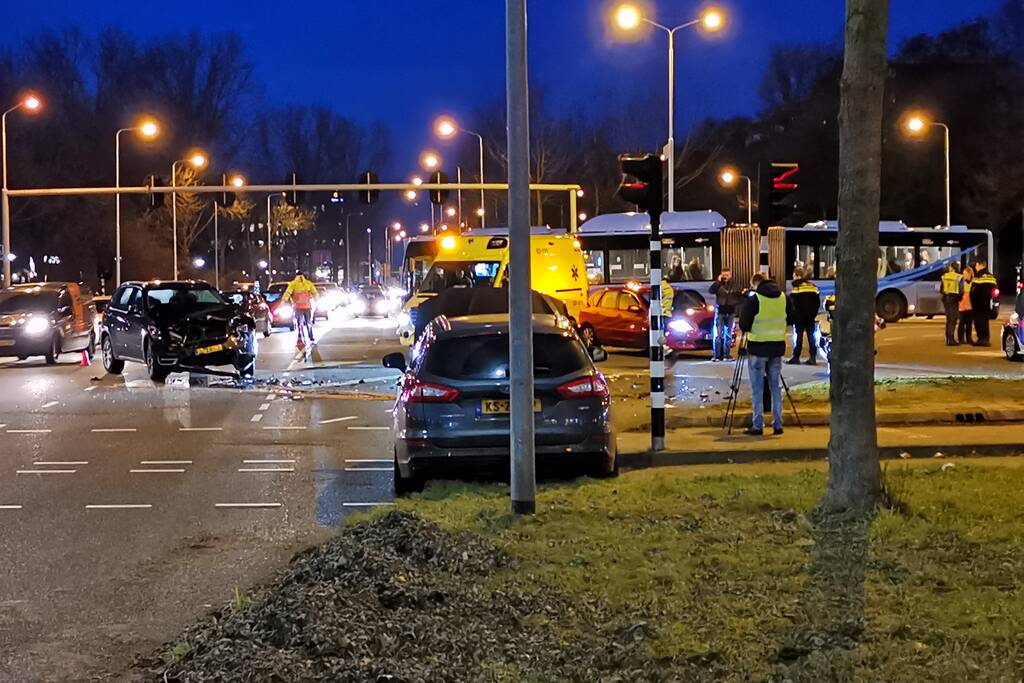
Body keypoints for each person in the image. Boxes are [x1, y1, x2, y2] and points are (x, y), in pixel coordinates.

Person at [738, 273, 795, 436]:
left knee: (757, 389)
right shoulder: (783, 298)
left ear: (755, 284)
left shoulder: (754, 300)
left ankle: (758, 425)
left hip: (757, 348)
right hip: (776, 348)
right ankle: (778, 424)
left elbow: (744, 325)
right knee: (775, 387)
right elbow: (791, 319)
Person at [788, 267, 821, 364]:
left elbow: (793, 304)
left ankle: (796, 357)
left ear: (797, 275)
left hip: (799, 317)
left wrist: (794, 316)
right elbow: (817, 302)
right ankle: (812, 357)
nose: (793, 278)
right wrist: (813, 313)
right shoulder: (813, 287)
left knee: (798, 336)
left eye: (794, 275)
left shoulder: (796, 288)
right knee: (811, 336)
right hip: (810, 316)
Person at [708, 267, 742, 361]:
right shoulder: (718, 284)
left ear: (730, 275)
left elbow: (738, 296)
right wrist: (718, 282)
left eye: (727, 275)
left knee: (728, 334)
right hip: (720, 311)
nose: (726, 277)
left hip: (730, 311)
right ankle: (717, 355)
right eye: (724, 275)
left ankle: (727, 355)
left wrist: (735, 305)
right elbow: (711, 291)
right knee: (718, 334)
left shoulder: (735, 284)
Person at [282, 270, 319, 345]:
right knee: (308, 322)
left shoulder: (293, 284)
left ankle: (301, 337)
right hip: (307, 306)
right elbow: (315, 293)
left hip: (298, 307)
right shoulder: (308, 283)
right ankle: (311, 337)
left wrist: (283, 301)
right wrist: (317, 300)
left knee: (299, 323)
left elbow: (288, 293)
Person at [969, 261, 997, 346]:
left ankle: (981, 339)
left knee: (979, 322)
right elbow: (995, 291)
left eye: (976, 265)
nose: (975, 267)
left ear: (979, 265)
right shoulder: (991, 276)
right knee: (985, 321)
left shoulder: (978, 276)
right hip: (986, 303)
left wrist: (972, 301)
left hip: (978, 304)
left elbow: (973, 290)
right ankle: (985, 338)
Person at [940, 262, 963, 346]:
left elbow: (941, 289)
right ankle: (951, 339)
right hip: (954, 299)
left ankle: (947, 338)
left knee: (948, 319)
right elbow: (961, 290)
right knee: (953, 320)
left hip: (946, 299)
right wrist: (959, 298)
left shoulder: (944, 276)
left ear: (951, 268)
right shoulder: (959, 277)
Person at [958, 266, 974, 344]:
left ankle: (969, 339)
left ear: (970, 274)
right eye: (963, 273)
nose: (964, 275)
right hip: (962, 306)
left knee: (969, 324)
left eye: (965, 274)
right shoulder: (961, 282)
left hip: (970, 306)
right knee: (961, 324)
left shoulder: (973, 282)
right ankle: (961, 339)